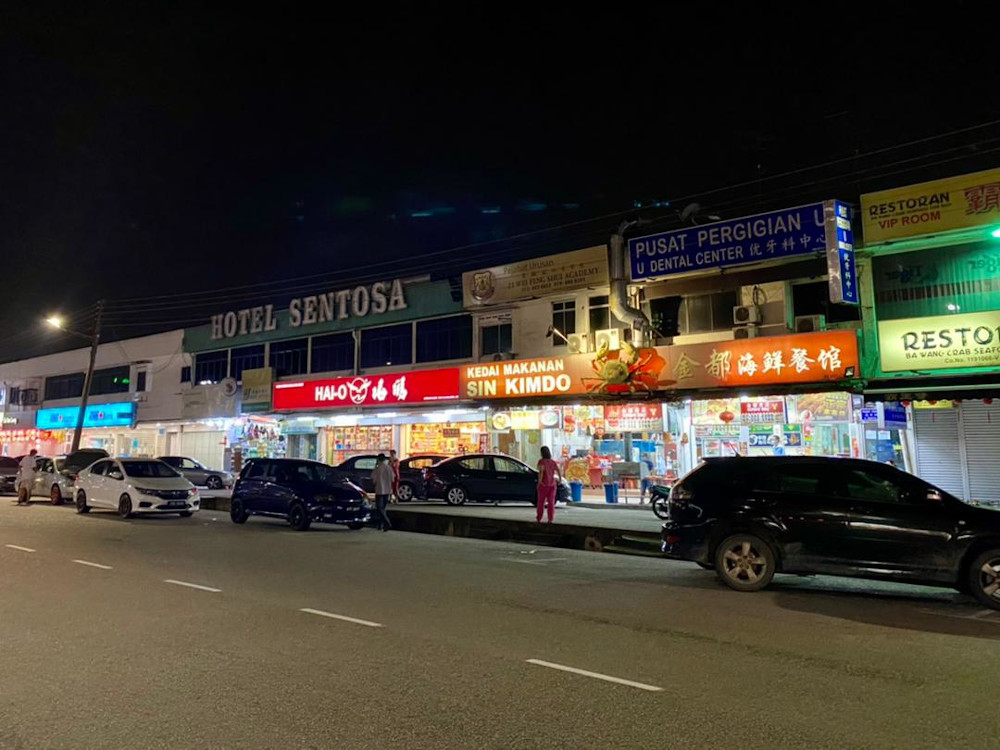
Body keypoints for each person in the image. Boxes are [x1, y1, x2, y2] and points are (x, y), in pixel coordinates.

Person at [536, 446, 561, 524]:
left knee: (541, 502)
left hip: (543, 485)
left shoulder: (541, 461)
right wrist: (559, 479)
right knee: (551, 502)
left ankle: (539, 518)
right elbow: (558, 470)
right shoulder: (553, 462)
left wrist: (539, 482)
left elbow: (541, 472)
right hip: (552, 485)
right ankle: (550, 519)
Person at [371, 453, 395, 531]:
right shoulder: (389, 468)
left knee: (379, 508)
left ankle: (387, 523)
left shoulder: (377, 469)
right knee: (383, 508)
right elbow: (393, 479)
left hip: (379, 490)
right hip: (387, 490)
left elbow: (373, 479)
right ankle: (380, 524)